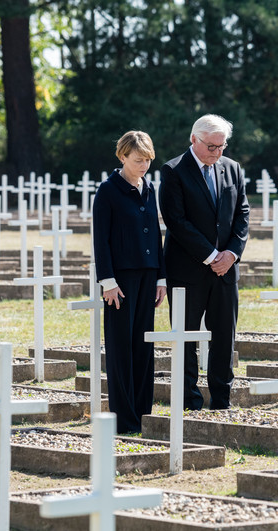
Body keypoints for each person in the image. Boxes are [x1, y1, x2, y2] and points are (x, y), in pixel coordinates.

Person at [159, 114, 249, 410]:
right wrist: (212, 256)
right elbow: (177, 221)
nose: (217, 152)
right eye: (211, 146)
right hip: (187, 270)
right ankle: (190, 402)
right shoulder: (173, 171)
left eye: (221, 146)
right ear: (193, 139)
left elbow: (242, 214)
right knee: (185, 340)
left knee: (224, 338)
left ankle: (222, 401)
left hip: (226, 271)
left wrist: (231, 254)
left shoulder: (233, 169)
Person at [93, 130, 167, 433]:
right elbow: (102, 239)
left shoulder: (149, 188)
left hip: (149, 276)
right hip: (120, 280)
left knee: (143, 345)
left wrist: (161, 276)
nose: (144, 166)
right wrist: (107, 281)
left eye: (147, 161)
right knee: (121, 346)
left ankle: (142, 412)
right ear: (122, 156)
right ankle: (124, 418)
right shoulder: (108, 191)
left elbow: (156, 234)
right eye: (138, 160)